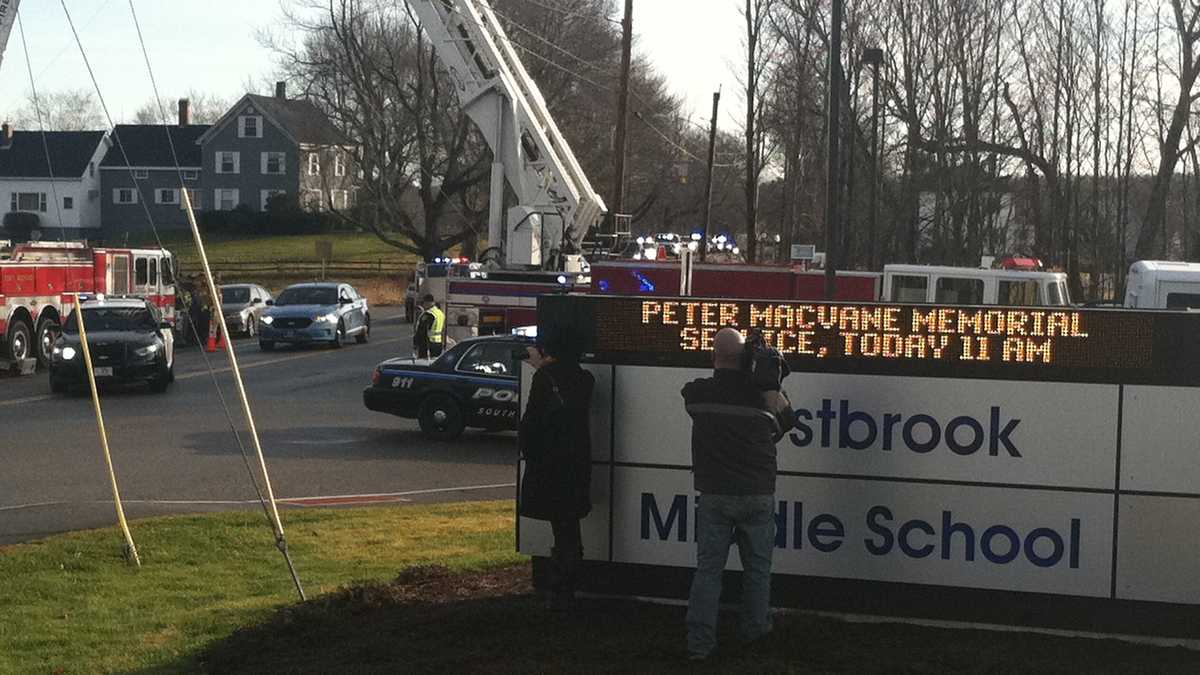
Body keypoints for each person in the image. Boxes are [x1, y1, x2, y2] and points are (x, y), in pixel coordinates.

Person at [680, 327, 793, 661]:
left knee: (708, 571)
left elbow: (688, 393)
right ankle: (755, 634)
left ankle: (700, 643)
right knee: (758, 570)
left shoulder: (698, 394)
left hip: (715, 494)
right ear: (747, 359)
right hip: (757, 493)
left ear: (713, 355)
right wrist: (771, 380)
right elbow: (788, 421)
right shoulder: (763, 396)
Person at [518, 331, 595, 612]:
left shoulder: (545, 378)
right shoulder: (586, 380)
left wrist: (542, 368)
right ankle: (568, 586)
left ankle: (559, 588)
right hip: (577, 463)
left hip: (550, 464)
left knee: (561, 528)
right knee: (569, 527)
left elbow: (532, 420)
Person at [413, 294, 445, 358]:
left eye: (424, 303)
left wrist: (416, 342)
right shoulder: (440, 313)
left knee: (424, 363)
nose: (423, 305)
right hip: (438, 342)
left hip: (427, 343)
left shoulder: (428, 314)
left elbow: (422, 330)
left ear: (428, 303)